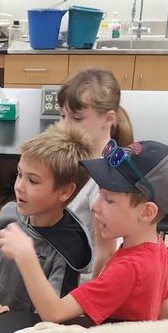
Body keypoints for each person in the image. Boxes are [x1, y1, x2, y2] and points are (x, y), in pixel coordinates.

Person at [0, 140, 168, 324]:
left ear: (146, 212)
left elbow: (55, 313)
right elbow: (165, 313)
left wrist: (26, 257)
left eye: (109, 200)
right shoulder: (158, 247)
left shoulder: (128, 268)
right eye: (99, 194)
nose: (95, 206)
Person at [0, 124, 93, 316]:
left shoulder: (69, 250)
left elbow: (52, 316)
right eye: (19, 174)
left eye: (33, 181)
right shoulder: (9, 214)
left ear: (65, 191)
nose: (19, 186)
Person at [58, 67, 135, 278]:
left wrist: (88, 303)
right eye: (62, 115)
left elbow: (106, 253)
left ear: (108, 118)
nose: (64, 126)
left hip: (80, 283)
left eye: (76, 118)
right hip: (62, 268)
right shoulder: (79, 157)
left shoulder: (107, 176)